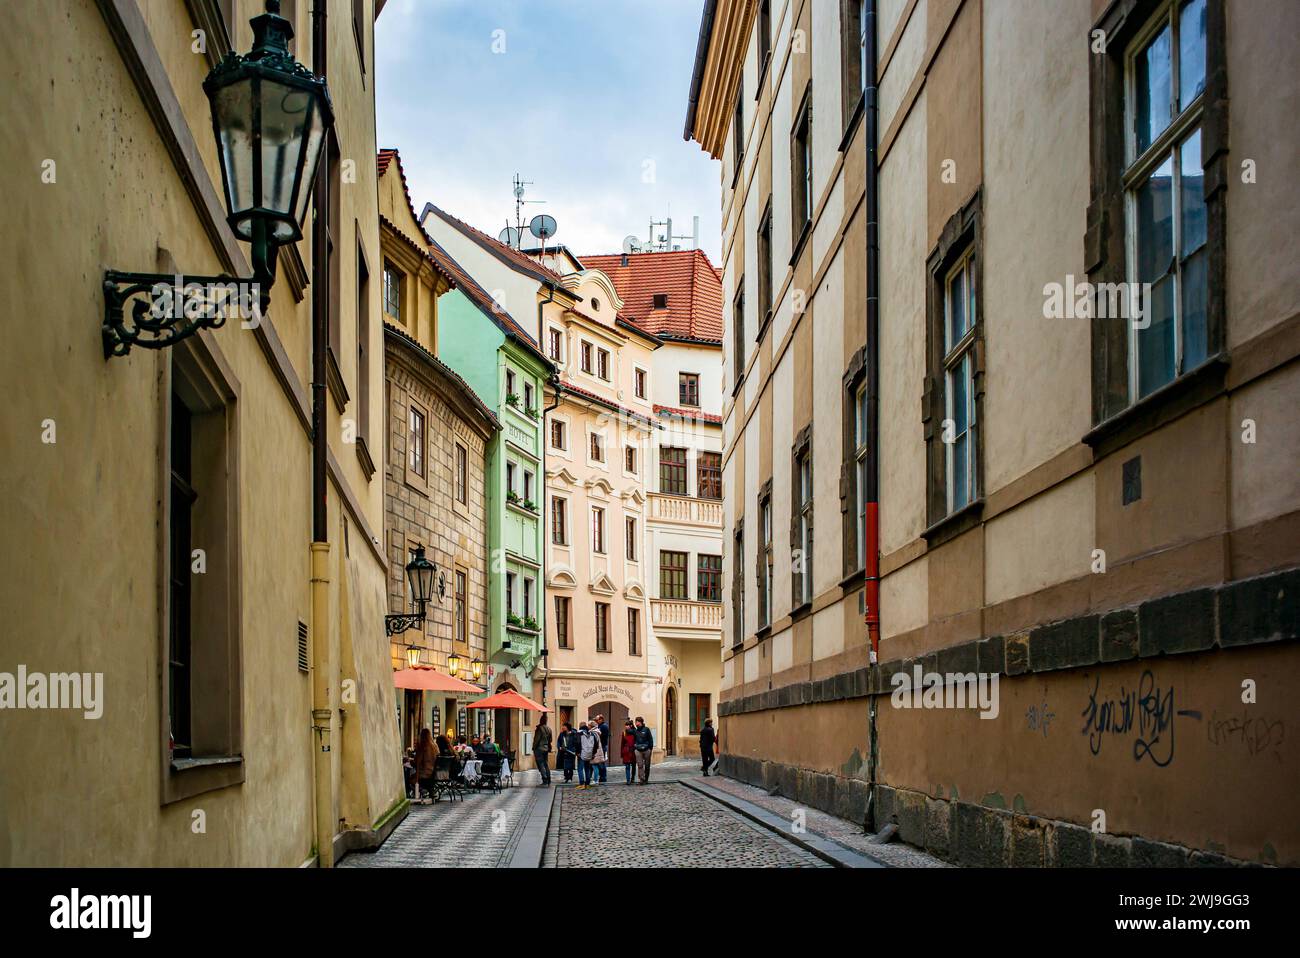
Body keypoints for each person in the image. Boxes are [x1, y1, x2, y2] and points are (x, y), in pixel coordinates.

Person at [415, 728, 437, 804]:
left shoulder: (423, 746)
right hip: (433, 772)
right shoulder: (434, 746)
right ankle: (429, 790)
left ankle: (420, 791)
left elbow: (417, 762)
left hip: (424, 774)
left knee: (408, 779)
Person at [632, 716, 654, 784]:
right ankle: (641, 779)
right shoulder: (635, 731)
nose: (636, 723)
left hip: (647, 749)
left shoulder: (646, 729)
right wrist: (635, 747)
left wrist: (650, 749)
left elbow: (650, 739)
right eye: (635, 722)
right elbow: (630, 735)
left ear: (641, 722)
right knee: (640, 765)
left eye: (637, 722)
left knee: (647, 765)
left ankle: (646, 779)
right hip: (638, 750)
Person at [532, 714, 553, 785]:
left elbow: (536, 739)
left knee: (541, 764)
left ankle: (544, 778)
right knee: (546, 764)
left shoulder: (539, 728)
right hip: (546, 748)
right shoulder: (549, 729)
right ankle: (549, 777)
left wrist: (534, 747)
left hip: (539, 748)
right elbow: (550, 740)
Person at [576, 722, 596, 789]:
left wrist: (577, 752)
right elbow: (596, 744)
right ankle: (587, 784)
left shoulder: (579, 733)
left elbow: (577, 743)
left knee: (580, 768)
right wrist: (593, 753)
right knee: (587, 768)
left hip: (581, 753)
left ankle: (582, 783)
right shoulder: (591, 733)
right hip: (589, 753)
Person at [595, 714, 611, 784]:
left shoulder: (603, 726)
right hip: (601, 746)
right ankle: (602, 776)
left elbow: (602, 737)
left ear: (601, 719)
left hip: (602, 746)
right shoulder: (600, 726)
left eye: (597, 720)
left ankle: (603, 777)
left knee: (601, 762)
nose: (596, 721)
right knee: (600, 762)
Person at [620, 720, 636, 784]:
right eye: (625, 725)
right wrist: (621, 752)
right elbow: (622, 743)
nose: (626, 727)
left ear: (631, 726)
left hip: (633, 750)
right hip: (626, 751)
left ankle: (633, 778)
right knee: (627, 766)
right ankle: (628, 780)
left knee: (634, 765)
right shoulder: (624, 733)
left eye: (627, 725)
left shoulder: (635, 732)